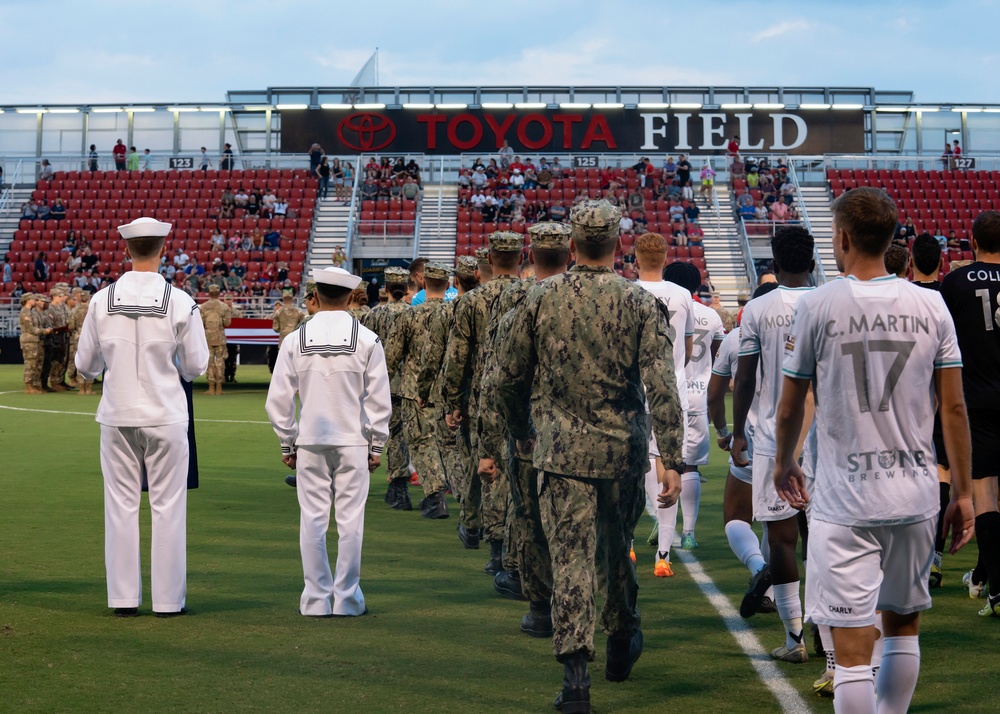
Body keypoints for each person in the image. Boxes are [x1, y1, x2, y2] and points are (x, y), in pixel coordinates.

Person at [774, 187, 974, 712]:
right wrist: (967, 494)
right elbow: (954, 410)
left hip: (845, 498)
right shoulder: (931, 304)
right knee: (903, 626)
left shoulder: (818, 303)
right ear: (891, 239)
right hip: (915, 491)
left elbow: (792, 404)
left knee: (853, 648)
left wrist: (782, 462)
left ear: (841, 238)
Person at [495, 200, 684, 713]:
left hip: (559, 455)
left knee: (570, 559)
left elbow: (506, 380)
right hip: (622, 453)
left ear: (573, 245)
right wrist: (671, 458)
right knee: (615, 549)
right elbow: (663, 386)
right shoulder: (640, 302)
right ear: (619, 245)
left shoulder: (538, 301)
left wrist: (521, 433)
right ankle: (621, 639)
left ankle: (577, 677)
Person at [74, 216, 209, 617]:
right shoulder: (181, 301)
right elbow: (196, 365)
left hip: (117, 414)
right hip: (165, 413)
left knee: (120, 506)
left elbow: (86, 365)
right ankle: (168, 601)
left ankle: (123, 599)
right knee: (169, 507)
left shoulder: (101, 300)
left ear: (127, 250)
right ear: (163, 249)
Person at [265, 266, 390, 618]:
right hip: (352, 441)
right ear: (352, 299)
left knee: (313, 519)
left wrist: (288, 443)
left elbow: (278, 402)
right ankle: (347, 599)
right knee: (351, 521)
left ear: (315, 297)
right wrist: (376, 444)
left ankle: (316, 598)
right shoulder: (367, 339)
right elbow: (380, 401)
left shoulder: (294, 340)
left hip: (311, 441)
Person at [476, 222, 572, 626]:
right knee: (578, 528)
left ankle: (540, 607)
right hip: (588, 436)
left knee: (531, 519)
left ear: (531, 257)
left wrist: (510, 434)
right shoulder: (614, 296)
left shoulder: (521, 303)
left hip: (533, 432)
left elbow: (501, 379)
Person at [731, 225, 817, 664]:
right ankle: (835, 636)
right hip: (826, 439)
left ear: (774, 264)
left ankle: (795, 637)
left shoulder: (759, 308)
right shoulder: (831, 302)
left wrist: (738, 430)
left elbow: (744, 377)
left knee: (782, 540)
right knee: (827, 537)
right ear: (815, 261)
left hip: (772, 438)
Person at [442, 232, 522, 566]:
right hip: (521, 397)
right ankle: (506, 543)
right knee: (516, 470)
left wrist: (452, 401)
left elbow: (457, 357)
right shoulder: (533, 293)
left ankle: (489, 541)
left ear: (484, 264)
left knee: (485, 466)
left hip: (480, 396)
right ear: (520, 259)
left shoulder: (470, 302)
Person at [940, 210, 1000, 617]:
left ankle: (996, 587)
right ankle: (985, 577)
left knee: (984, 493)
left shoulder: (956, 282)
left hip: (976, 399)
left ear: (972, 242)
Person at [633, 232, 694, 577]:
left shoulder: (627, 292)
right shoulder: (683, 295)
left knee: (630, 469)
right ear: (666, 257)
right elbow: (685, 348)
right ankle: (663, 556)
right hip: (672, 395)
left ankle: (626, 544)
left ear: (636, 258)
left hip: (633, 395)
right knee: (670, 470)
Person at [384, 263, 455, 520]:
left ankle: (435, 496)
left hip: (415, 392)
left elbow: (390, 358)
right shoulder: (456, 312)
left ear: (423, 284)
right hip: (450, 389)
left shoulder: (409, 316)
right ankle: (467, 500)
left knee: (422, 445)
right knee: (452, 445)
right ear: (447, 285)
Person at [369, 267, 414, 509]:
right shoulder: (415, 314)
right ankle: (401, 484)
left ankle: (398, 488)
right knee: (405, 436)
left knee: (392, 433)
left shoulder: (375, 315)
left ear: (386, 289)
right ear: (406, 289)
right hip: (410, 383)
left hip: (382, 382)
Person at [200, 284, 232, 395]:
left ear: (209, 293)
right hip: (220, 338)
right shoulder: (224, 307)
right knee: (219, 362)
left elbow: (200, 323)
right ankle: (219, 388)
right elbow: (227, 322)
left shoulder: (203, 307)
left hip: (208, 338)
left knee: (210, 363)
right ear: (219, 294)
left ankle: (211, 388)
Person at [19, 293, 51, 394]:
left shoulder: (31, 312)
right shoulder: (25, 312)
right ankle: (28, 386)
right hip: (29, 341)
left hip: (35, 340)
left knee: (36, 364)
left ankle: (35, 384)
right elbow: (30, 328)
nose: (34, 300)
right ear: (27, 300)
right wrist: (44, 331)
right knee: (30, 363)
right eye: (32, 299)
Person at [270, 291, 305, 373]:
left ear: (283, 299)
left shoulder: (278, 312)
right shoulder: (298, 311)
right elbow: (303, 323)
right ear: (292, 299)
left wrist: (282, 329)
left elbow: (275, 328)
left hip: (283, 342)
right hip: (295, 342)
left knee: (284, 367)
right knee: (296, 367)